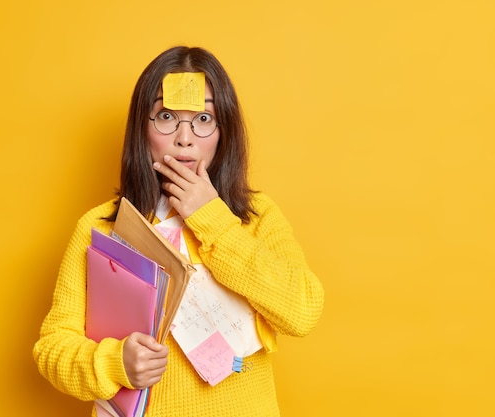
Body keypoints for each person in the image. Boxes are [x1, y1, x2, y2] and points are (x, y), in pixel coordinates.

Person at [33, 46, 324, 417]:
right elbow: (52, 348)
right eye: (166, 116)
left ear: (224, 132)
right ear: (142, 127)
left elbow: (302, 311)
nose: (184, 139)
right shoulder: (102, 227)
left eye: (204, 118)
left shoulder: (256, 217)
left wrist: (211, 219)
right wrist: (113, 362)